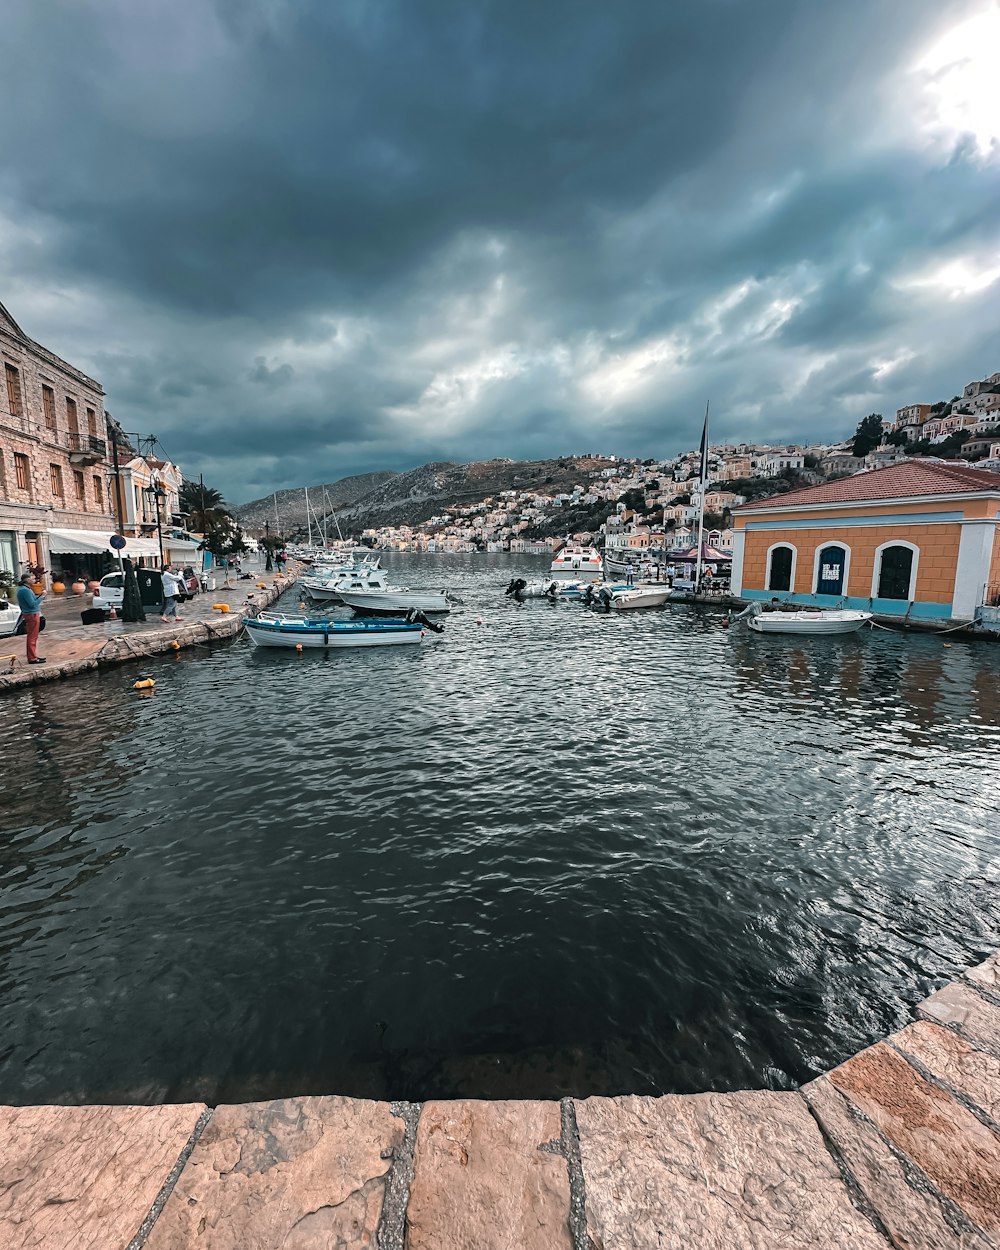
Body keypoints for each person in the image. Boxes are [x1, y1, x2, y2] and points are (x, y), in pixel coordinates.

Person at [16, 574, 45, 664]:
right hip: (31, 614)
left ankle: (33, 656)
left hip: (30, 614)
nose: (34, 580)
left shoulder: (23, 589)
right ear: (27, 580)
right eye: (32, 578)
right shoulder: (25, 590)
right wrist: (42, 597)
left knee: (32, 636)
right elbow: (32, 604)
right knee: (32, 637)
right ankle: (32, 658)